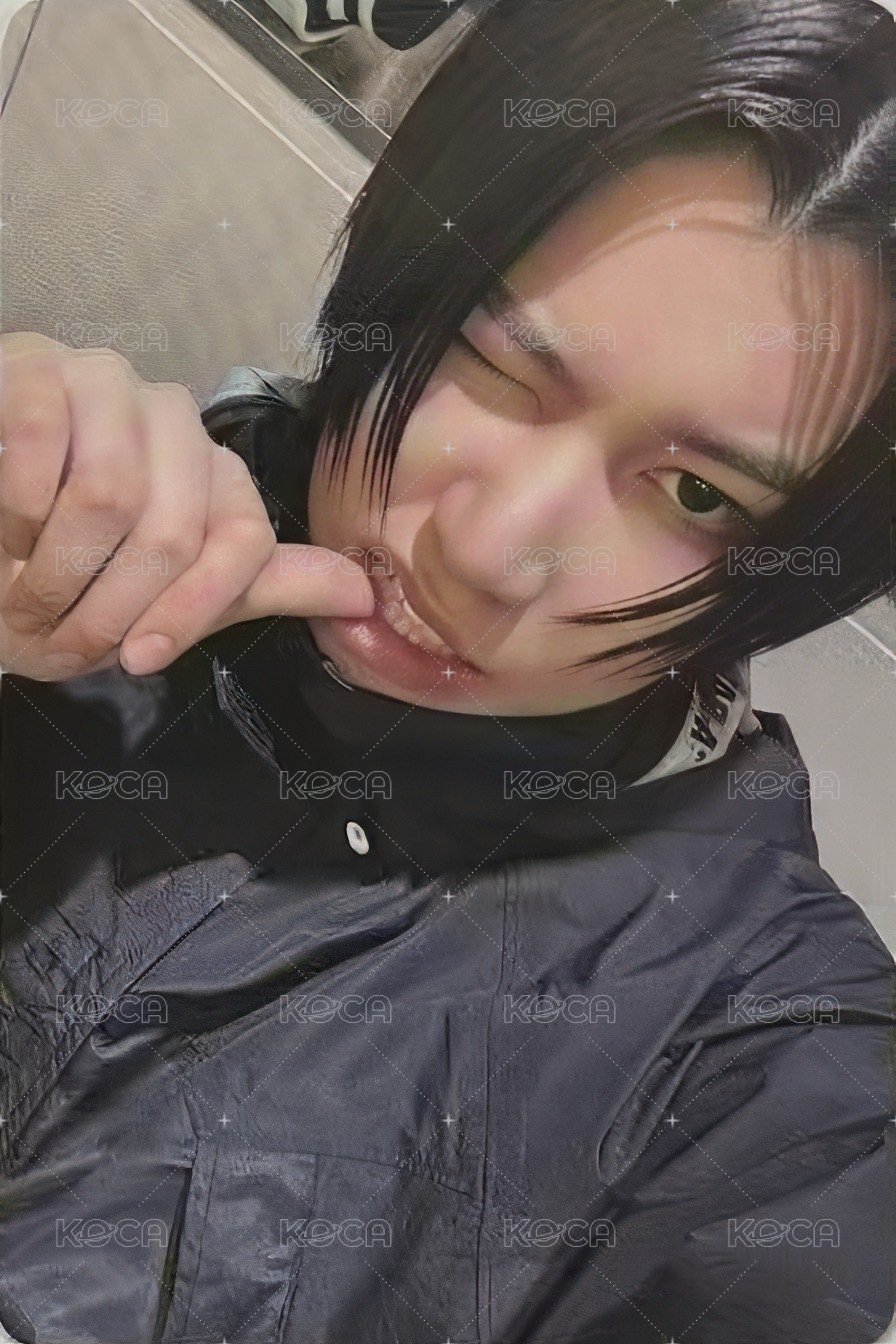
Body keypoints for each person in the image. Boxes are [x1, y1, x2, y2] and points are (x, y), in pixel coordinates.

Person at [0, 1, 894, 1341]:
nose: (490, 549)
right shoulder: (109, 524)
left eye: (696, 493)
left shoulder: (764, 1091)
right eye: (493, 360)